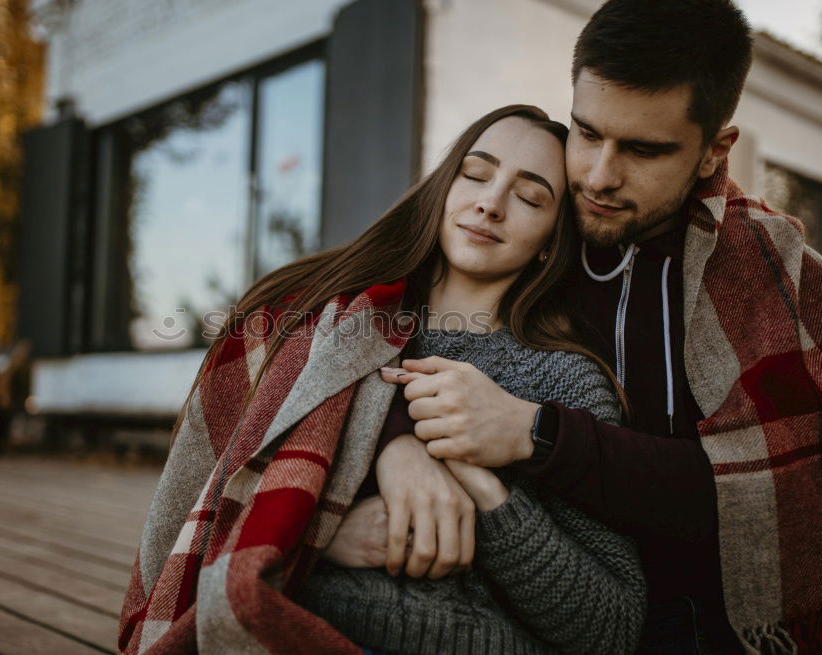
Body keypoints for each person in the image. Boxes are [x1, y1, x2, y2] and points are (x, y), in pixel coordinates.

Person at [377, 1, 822, 653]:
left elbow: (773, 496)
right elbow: (373, 324)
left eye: (643, 149)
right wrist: (397, 444)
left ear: (712, 151)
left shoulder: (776, 277)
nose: (599, 176)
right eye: (587, 132)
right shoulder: (537, 226)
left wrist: (534, 432)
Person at [119, 106, 646, 654]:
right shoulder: (317, 318)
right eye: (476, 173)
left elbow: (611, 627)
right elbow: (214, 507)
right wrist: (319, 534)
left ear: (549, 242)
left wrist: (483, 493)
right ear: (443, 186)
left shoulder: (562, 379)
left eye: (530, 197)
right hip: (282, 629)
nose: (491, 203)